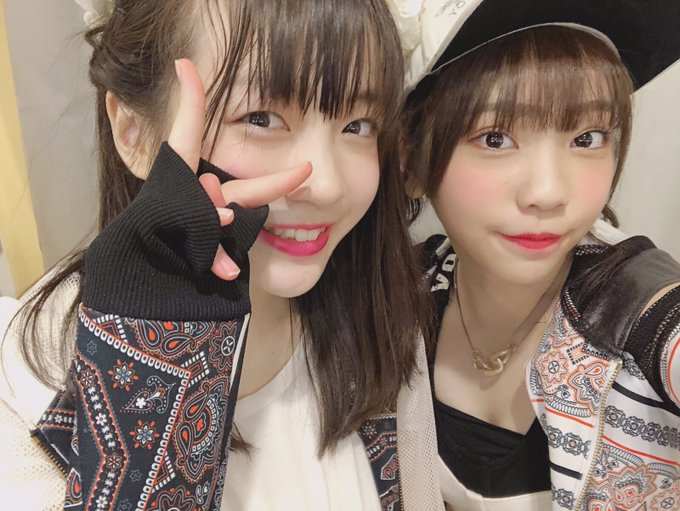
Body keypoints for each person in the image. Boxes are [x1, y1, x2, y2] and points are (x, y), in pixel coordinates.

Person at [0, 1, 442, 509]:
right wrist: (160, 351)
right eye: (261, 118)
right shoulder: (24, 381)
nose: (327, 185)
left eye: (358, 125)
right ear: (133, 132)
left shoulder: (376, 320)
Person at [399, 0, 680, 509]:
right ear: (412, 160)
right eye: (495, 138)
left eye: (587, 138)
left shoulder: (642, 314)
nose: (548, 193)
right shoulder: (405, 293)